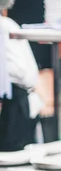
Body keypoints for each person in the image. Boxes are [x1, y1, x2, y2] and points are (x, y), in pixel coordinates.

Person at [0, 9, 43, 151]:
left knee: (13, 155)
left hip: (16, 101)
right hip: (16, 98)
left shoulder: (3, 25)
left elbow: (19, 71)